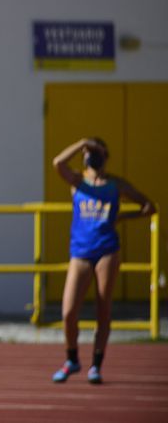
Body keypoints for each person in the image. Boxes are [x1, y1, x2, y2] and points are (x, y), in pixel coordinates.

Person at [50, 137, 156, 384]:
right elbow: (58, 162)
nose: (91, 156)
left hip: (107, 250)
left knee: (103, 307)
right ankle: (72, 359)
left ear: (106, 156)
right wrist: (82, 143)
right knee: (68, 312)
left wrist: (121, 218)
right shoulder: (78, 182)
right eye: (88, 152)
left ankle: (96, 364)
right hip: (81, 251)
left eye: (97, 152)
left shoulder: (115, 184)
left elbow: (149, 206)